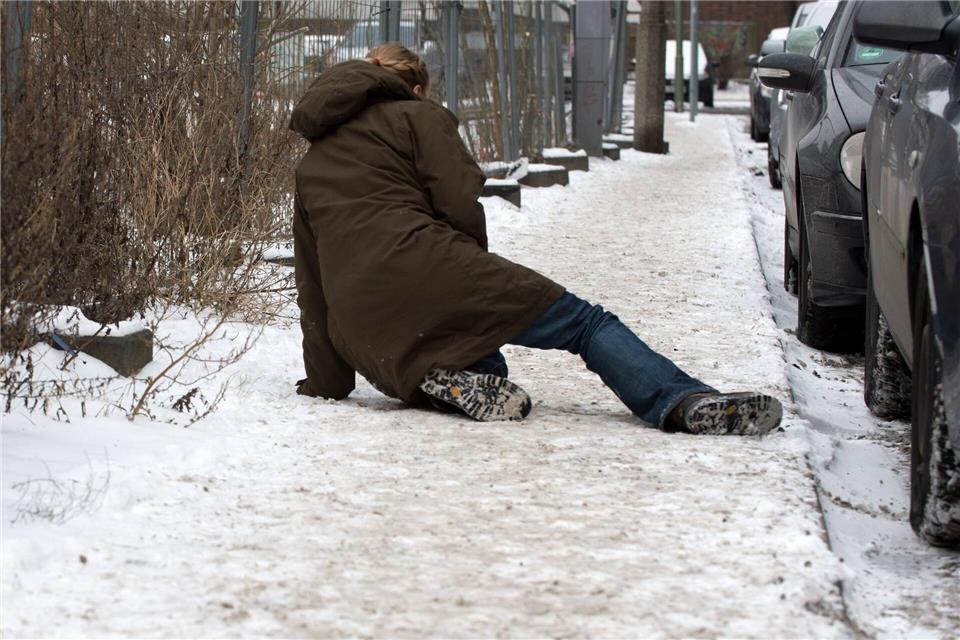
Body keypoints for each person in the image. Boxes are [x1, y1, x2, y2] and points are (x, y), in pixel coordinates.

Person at [289, 44, 783, 436]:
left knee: (481, 359)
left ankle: (443, 382)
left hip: (363, 329)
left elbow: (311, 283)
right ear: (412, 87)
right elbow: (459, 198)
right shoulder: (419, 116)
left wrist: (328, 383)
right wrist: (466, 273)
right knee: (585, 324)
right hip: (428, 266)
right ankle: (682, 401)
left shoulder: (311, 164)